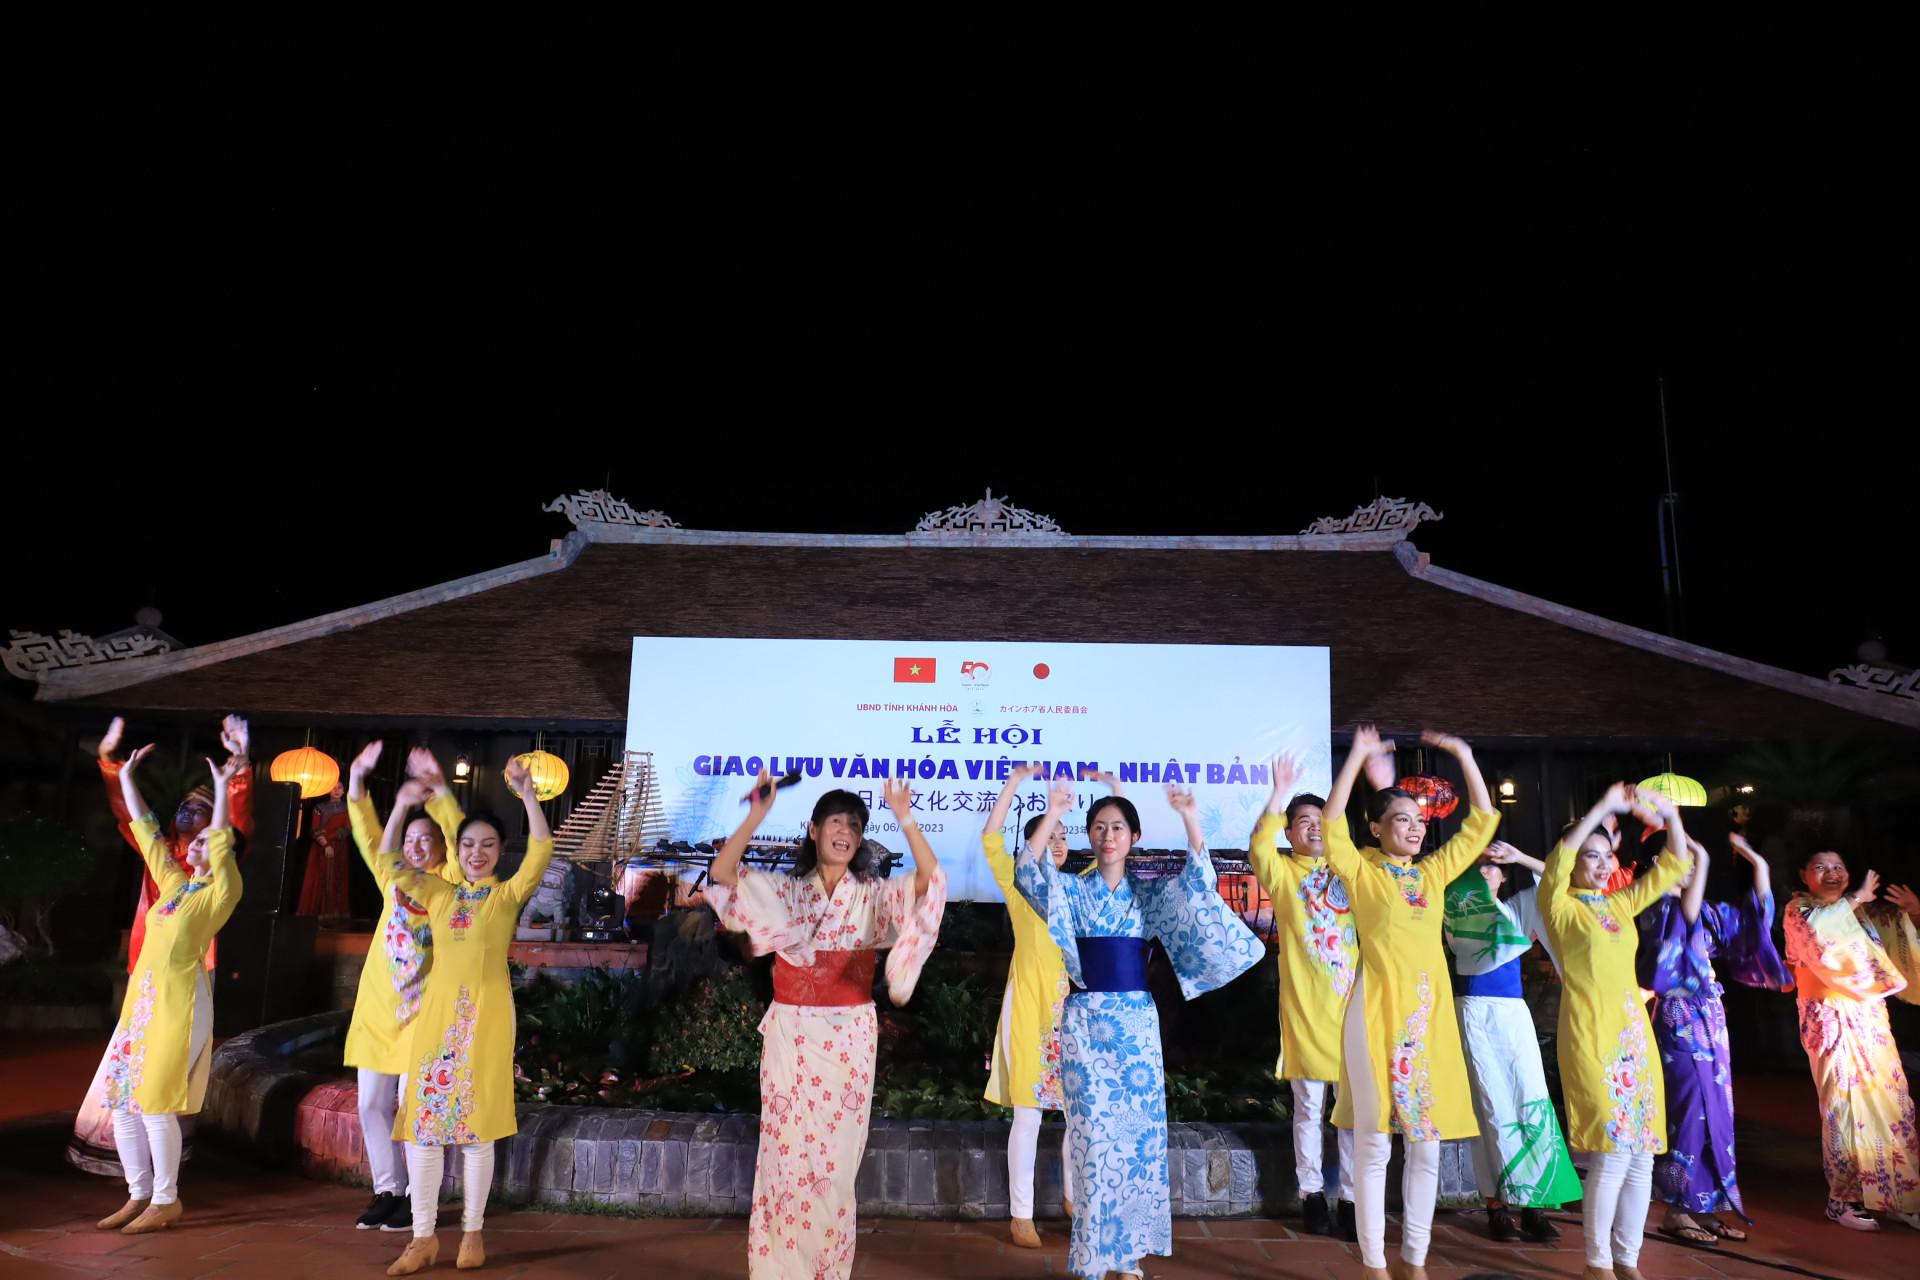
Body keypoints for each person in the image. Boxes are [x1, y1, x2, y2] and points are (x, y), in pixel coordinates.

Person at [1015, 776, 1264, 1280]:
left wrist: (1191, 816)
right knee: (1092, 1144)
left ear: (1134, 836)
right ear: (1088, 835)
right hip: (1086, 1025)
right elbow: (1026, 873)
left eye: (1119, 828)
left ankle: (1127, 1258)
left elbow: (1200, 884)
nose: (1109, 836)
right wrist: (1050, 814)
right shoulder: (1073, 890)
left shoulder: (1147, 895)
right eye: (1100, 827)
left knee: (1135, 1144)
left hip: (1134, 1029)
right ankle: (1092, 1257)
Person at [706, 772, 946, 1280]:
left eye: (855, 825)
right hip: (792, 1033)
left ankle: (826, 1272)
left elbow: (928, 880)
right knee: (784, 1158)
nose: (846, 830)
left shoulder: (874, 896)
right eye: (835, 820)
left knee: (836, 1167)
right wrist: (756, 814)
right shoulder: (788, 891)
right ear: (814, 830)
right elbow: (724, 876)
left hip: (850, 1033)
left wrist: (904, 814)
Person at [1322, 727, 1500, 1280]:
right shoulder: (1361, 870)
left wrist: (1465, 755)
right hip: (1374, 1017)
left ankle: (1415, 1261)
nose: (1417, 827)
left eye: (1421, 820)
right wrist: (1354, 757)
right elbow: (1331, 825)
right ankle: (1375, 1263)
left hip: (1427, 1026)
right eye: (1403, 818)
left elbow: (1482, 822)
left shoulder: (1432, 875)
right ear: (1374, 827)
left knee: (1425, 1147)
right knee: (1374, 1145)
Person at [372, 754, 554, 1275]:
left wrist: (527, 795)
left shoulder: (505, 897)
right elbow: (388, 863)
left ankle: (473, 1234)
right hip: (435, 1025)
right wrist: (402, 808)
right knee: (424, 1132)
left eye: (488, 845)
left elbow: (541, 849)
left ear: (499, 853)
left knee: (477, 1133)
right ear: (457, 849)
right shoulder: (439, 893)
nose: (476, 852)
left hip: (487, 1023)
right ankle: (422, 1237)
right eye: (468, 844)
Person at [74, 716, 253, 1171]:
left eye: (201, 813)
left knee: (157, 1098)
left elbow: (228, 834)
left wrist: (232, 777)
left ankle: (163, 1193)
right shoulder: (173, 880)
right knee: (128, 1096)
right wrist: (119, 770)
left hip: (184, 993)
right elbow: (140, 823)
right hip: (147, 991)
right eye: (184, 810)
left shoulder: (221, 889)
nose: (188, 820)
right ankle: (135, 1190)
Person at [1538, 783, 1694, 1280]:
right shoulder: (1559, 906)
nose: (1602, 864)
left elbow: (1675, 865)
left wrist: (1669, 815)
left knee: (1642, 1156)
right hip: (1590, 1036)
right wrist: (1601, 808)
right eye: (1590, 855)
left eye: (1607, 854)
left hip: (1633, 1037)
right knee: (1609, 1153)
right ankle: (1597, 1262)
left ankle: (1628, 1260)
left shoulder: (1619, 904)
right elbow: (1559, 862)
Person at [1638, 832, 1790, 1244]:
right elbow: (1679, 931)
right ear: (1658, 862)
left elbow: (1752, 920)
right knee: (1687, 1111)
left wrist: (1759, 866)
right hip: (1678, 1017)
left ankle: (1703, 1207)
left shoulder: (1702, 909)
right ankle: (1675, 1209)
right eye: (1681, 859)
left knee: (1716, 1113)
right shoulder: (1653, 908)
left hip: (1711, 1018)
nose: (1690, 867)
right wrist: (1700, 853)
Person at [341, 744, 464, 1233]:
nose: (414, 846)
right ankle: (387, 1189)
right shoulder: (390, 877)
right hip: (378, 1011)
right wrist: (356, 779)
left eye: (425, 840)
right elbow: (368, 833)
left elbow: (461, 841)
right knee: (371, 1105)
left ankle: (419, 1193)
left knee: (419, 1111)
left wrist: (438, 794)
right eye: (409, 839)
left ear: (437, 848)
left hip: (426, 1016)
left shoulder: (451, 882)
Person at [1442, 840, 1577, 1244]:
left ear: (1503, 876)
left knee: (1530, 1101)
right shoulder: (1457, 909)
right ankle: (1496, 1207)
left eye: (1493, 866)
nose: (1486, 872)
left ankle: (1534, 1205)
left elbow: (1557, 878)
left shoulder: (1518, 908)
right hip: (1475, 1012)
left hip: (1514, 1016)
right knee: (1491, 1109)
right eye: (1478, 866)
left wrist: (1519, 855)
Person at [1246, 753, 1358, 1239]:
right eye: (1303, 822)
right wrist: (1278, 793)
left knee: (1354, 1113)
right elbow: (1257, 843)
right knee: (1310, 1108)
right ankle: (1312, 1195)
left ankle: (1354, 1200)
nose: (1313, 828)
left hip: (1356, 1012)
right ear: (1289, 833)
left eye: (1320, 820)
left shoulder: (1354, 873)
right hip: (1307, 1012)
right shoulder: (1282, 873)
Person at [1780, 850, 1920, 1232]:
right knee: (1843, 1107)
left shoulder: (1860, 915)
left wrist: (1915, 911)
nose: (1832, 873)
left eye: (1838, 867)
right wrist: (1856, 897)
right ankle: (1843, 1199)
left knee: (1891, 1105)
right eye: (1821, 867)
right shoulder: (1800, 911)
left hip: (1870, 1017)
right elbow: (1824, 935)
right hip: (1828, 1016)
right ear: (1804, 874)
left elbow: (1902, 946)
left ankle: (1897, 1196)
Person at [981, 764, 1076, 1248]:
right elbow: (991, 838)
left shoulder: (1082, 886)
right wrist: (1014, 783)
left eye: (1062, 833)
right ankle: (1021, 1214)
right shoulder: (1020, 887)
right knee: (1030, 1114)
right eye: (1046, 833)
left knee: (1080, 1111)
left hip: (1077, 1013)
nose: (1055, 840)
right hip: (1030, 1010)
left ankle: (1075, 1198)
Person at [297, 779, 355, 923]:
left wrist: (328, 838)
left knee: (336, 878)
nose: (336, 790)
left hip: (339, 848)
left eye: (340, 787)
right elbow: (315, 828)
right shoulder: (319, 807)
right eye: (333, 787)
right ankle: (315, 914)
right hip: (320, 847)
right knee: (319, 877)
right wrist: (325, 843)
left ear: (344, 790)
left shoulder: (349, 808)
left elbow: (347, 828)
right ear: (328, 790)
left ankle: (333, 914)